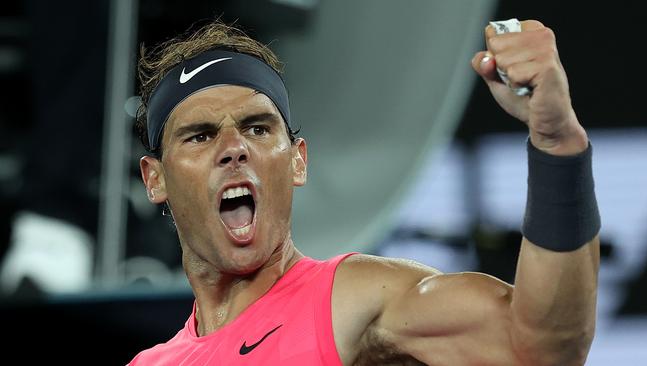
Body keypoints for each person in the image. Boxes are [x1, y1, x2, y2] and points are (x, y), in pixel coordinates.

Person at [128, 18, 600, 365]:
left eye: (256, 128)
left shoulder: (351, 301)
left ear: (297, 160)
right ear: (155, 178)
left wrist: (557, 143)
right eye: (201, 135)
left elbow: (542, 347)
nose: (234, 149)